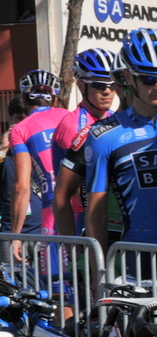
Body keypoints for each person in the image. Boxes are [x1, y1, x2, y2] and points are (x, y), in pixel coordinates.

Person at [84, 28, 157, 279]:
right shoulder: (103, 135)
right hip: (142, 256)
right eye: (148, 79)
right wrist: (98, 276)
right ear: (129, 77)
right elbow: (96, 213)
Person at [52, 48, 116, 237]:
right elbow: (68, 192)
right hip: (79, 216)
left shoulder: (112, 118)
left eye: (113, 85)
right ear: (81, 86)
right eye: (98, 85)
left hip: (106, 214)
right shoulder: (73, 125)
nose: (107, 91)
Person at [9, 70, 70, 270]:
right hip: (87, 207)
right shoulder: (71, 117)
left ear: (24, 98)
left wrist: (16, 237)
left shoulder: (21, 129)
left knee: (56, 288)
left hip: (53, 211)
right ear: (54, 99)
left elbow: (22, 187)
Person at [1, 97, 41, 266]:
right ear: (11, 119)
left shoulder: (43, 146)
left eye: (27, 120)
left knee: (46, 287)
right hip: (10, 234)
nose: (24, 124)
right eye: (19, 119)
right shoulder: (5, 154)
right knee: (12, 287)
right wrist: (3, 150)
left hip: (43, 233)